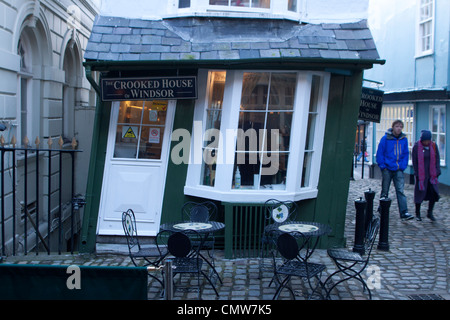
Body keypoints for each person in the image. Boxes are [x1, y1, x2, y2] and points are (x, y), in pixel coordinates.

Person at [376, 119, 413, 220]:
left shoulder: (403, 139)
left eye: (401, 126)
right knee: (385, 190)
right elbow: (380, 153)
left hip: (398, 169)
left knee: (400, 191)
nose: (399, 128)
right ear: (393, 127)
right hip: (387, 168)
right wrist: (382, 166)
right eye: (397, 126)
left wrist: (402, 166)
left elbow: (406, 154)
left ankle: (404, 212)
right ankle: (382, 209)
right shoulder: (385, 139)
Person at [412, 130, 441, 221]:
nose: (426, 142)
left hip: (432, 175)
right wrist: (416, 173)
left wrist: (437, 171)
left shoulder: (433, 146)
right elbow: (414, 161)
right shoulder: (417, 146)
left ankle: (430, 212)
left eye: (428, 140)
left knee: (433, 193)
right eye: (425, 141)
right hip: (421, 175)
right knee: (419, 194)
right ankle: (418, 214)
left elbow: (437, 158)